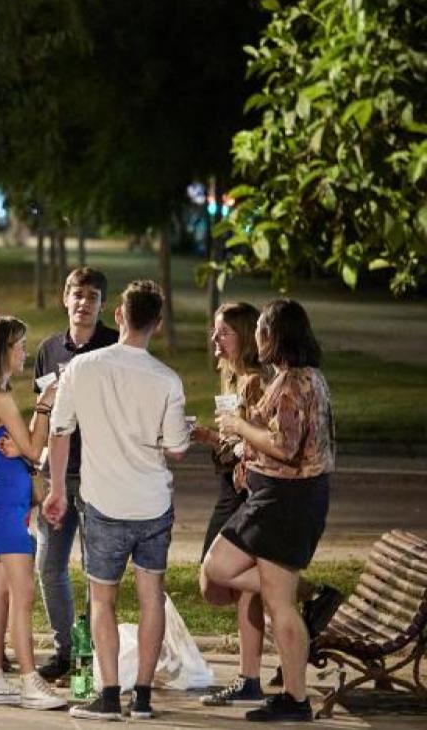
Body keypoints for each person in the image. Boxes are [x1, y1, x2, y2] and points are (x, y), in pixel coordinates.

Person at [44, 280, 191, 721]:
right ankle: (142, 697)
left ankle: (108, 695)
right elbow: (178, 449)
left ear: (120, 316)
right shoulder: (168, 379)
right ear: (158, 325)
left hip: (103, 503)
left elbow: (58, 432)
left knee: (102, 600)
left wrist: (55, 489)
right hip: (152, 503)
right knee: (152, 596)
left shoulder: (81, 369)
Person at [202, 299, 337, 722]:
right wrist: (248, 457)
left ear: (278, 335)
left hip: (288, 501)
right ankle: (295, 696)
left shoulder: (296, 383)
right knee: (259, 589)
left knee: (234, 577)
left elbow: (286, 446)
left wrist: (241, 429)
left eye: (262, 329)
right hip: (281, 496)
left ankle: (296, 699)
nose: (258, 336)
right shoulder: (300, 378)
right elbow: (279, 442)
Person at [0, 315, 68, 709]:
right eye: (19, 345)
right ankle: (28, 680)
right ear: (1, 351)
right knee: (22, 599)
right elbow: (35, 450)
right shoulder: (0, 398)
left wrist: (22, 451)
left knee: (0, 600)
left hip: (0, 505)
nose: (25, 352)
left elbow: (23, 453)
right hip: (4, 509)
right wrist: (45, 405)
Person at [31, 266, 119, 682]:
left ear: (103, 305)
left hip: (100, 474)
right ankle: (65, 649)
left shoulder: (114, 347)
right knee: (49, 565)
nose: (83, 303)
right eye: (77, 295)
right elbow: (43, 414)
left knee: (94, 571)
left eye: (92, 297)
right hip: (59, 474)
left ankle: (90, 654)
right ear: (65, 298)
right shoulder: (49, 349)